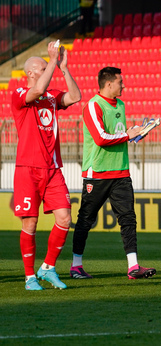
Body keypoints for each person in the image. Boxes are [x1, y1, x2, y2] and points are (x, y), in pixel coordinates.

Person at [70, 67, 157, 280]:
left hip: (120, 172)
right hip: (97, 173)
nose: (123, 85)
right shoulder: (93, 105)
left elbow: (118, 135)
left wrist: (136, 135)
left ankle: (133, 266)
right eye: (120, 82)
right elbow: (100, 138)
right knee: (85, 219)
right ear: (108, 84)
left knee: (128, 218)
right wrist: (127, 135)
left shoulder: (120, 104)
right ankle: (76, 266)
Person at [11, 41, 82, 291]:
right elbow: (37, 89)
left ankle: (48, 268)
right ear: (30, 73)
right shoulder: (20, 95)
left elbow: (75, 97)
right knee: (30, 223)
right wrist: (51, 59)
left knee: (64, 218)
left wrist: (63, 68)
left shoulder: (51, 98)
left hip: (52, 170)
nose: (47, 73)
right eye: (43, 69)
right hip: (27, 170)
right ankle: (30, 276)